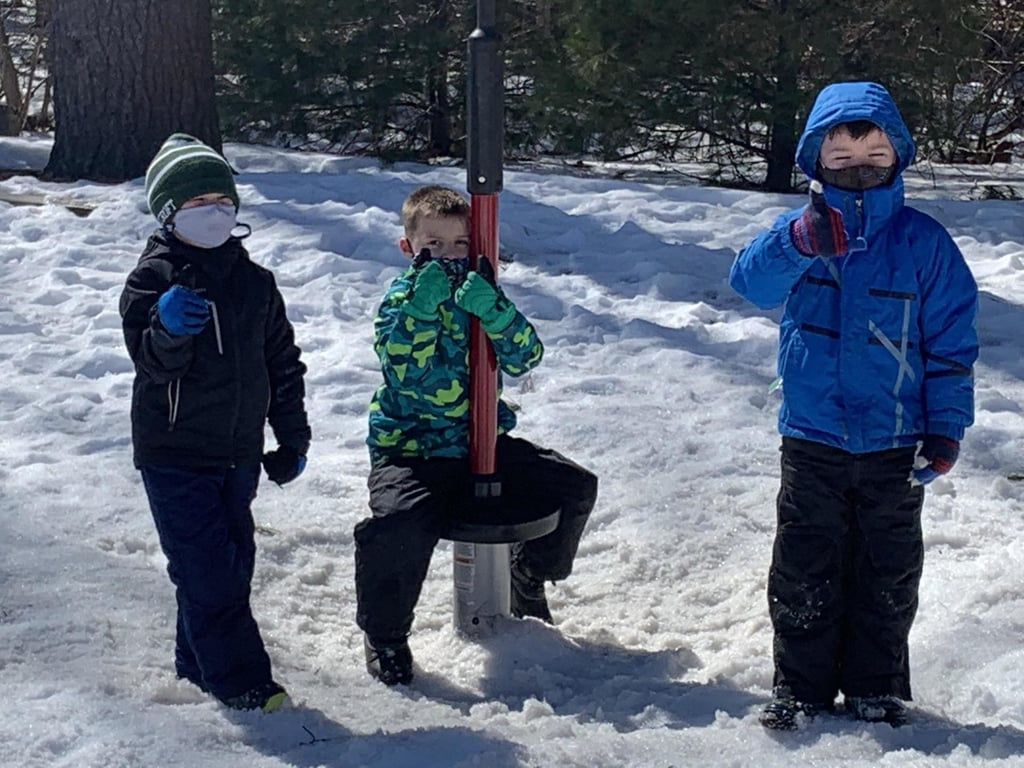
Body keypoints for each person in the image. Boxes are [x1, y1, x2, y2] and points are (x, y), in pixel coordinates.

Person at [729, 82, 978, 730]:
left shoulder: (924, 244)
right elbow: (748, 283)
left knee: (887, 570)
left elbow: (951, 342)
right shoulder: (801, 236)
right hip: (813, 436)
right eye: (843, 164)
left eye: (874, 162)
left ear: (897, 159)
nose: (861, 176)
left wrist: (946, 425)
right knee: (804, 564)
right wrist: (796, 241)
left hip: (896, 441)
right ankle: (801, 686)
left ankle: (876, 685)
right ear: (817, 163)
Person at [354, 184, 598, 685]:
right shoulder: (400, 301)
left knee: (572, 485)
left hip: (481, 441)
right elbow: (404, 372)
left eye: (460, 244)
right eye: (433, 246)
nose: (447, 256)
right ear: (409, 249)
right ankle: (385, 634)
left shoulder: (480, 292)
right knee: (400, 524)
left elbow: (526, 357)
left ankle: (528, 574)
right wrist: (422, 311)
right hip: (413, 449)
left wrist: (494, 311)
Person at [119, 133, 311, 713]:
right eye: (198, 202)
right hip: (174, 453)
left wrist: (292, 434)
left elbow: (280, 361)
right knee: (209, 573)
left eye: (221, 199)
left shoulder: (255, 283)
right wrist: (168, 328)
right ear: (170, 212)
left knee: (229, 563)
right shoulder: (152, 279)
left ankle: (197, 666)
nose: (214, 212)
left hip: (238, 453)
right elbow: (153, 364)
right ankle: (242, 683)